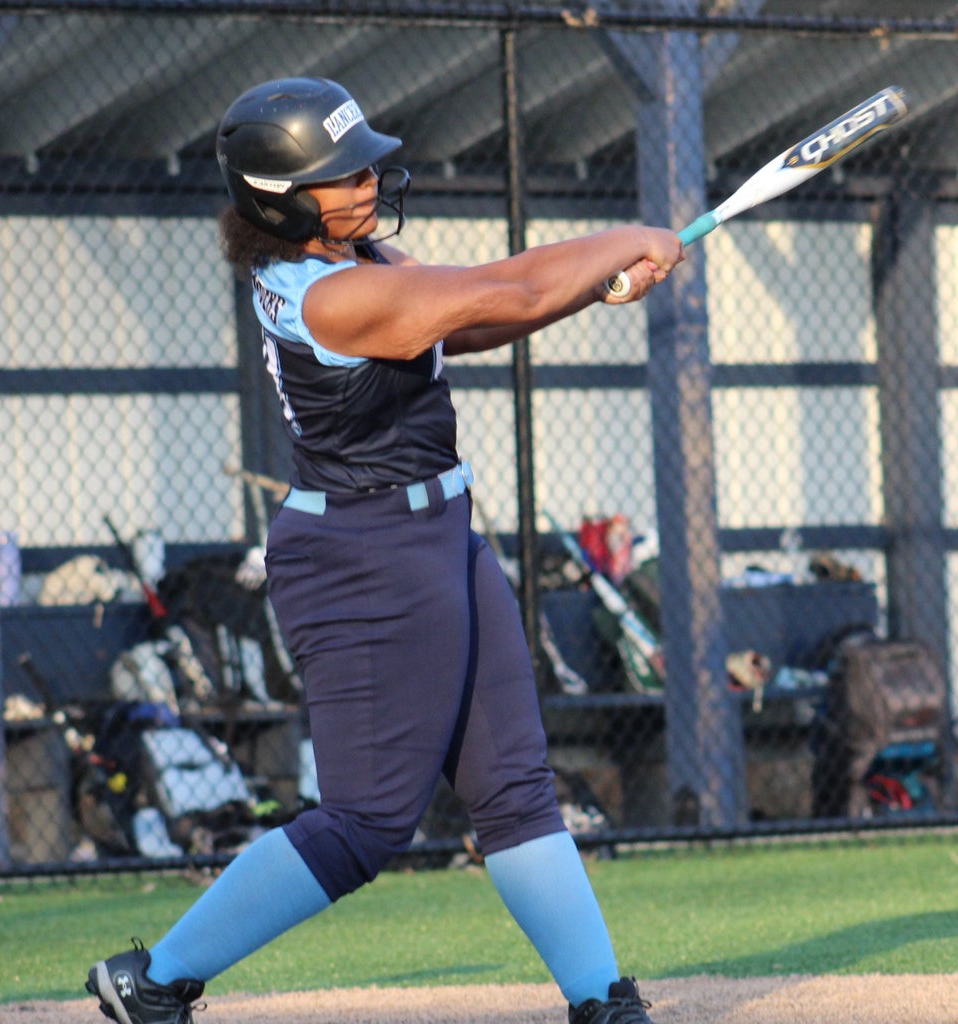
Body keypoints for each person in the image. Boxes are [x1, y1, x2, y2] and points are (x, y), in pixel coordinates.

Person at [85, 76, 684, 1024]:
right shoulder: (331, 298)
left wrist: (591, 289)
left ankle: (601, 1002)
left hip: (438, 532)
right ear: (279, 200)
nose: (365, 179)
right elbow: (505, 286)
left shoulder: (362, 261)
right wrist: (628, 241)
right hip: (363, 556)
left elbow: (480, 320)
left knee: (516, 790)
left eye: (362, 161)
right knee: (366, 822)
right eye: (337, 173)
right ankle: (152, 981)